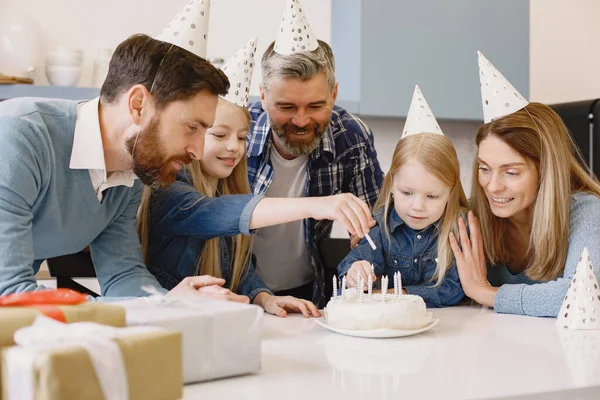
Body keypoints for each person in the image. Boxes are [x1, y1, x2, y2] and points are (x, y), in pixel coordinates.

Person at [0, 4, 236, 299]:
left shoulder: (130, 169)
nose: (198, 152)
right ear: (138, 104)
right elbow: (9, 290)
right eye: (191, 127)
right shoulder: (18, 137)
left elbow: (123, 273)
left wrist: (170, 303)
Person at [139, 38, 374, 317]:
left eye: (241, 138)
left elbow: (240, 265)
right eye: (219, 135)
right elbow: (217, 213)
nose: (234, 147)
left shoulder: (227, 181)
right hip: (166, 320)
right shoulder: (170, 188)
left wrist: (263, 297)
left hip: (239, 312)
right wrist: (319, 204)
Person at [247, 0, 384, 306]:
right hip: (237, 291)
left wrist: (363, 244)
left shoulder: (351, 138)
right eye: (286, 107)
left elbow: (379, 226)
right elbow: (220, 217)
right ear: (263, 95)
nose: (301, 120)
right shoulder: (236, 135)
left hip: (310, 292)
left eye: (315, 106)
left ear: (333, 94)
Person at [450, 52, 600, 317]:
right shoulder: (475, 216)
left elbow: (581, 294)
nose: (493, 187)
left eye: (511, 173)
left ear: (545, 172)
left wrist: (484, 292)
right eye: (484, 169)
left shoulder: (587, 213)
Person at [337, 87, 468, 307]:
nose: (417, 206)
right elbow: (351, 269)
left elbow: (455, 288)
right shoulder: (379, 226)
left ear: (451, 192)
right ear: (391, 185)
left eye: (432, 196)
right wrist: (354, 273)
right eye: (407, 193)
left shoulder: (460, 228)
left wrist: (400, 294)